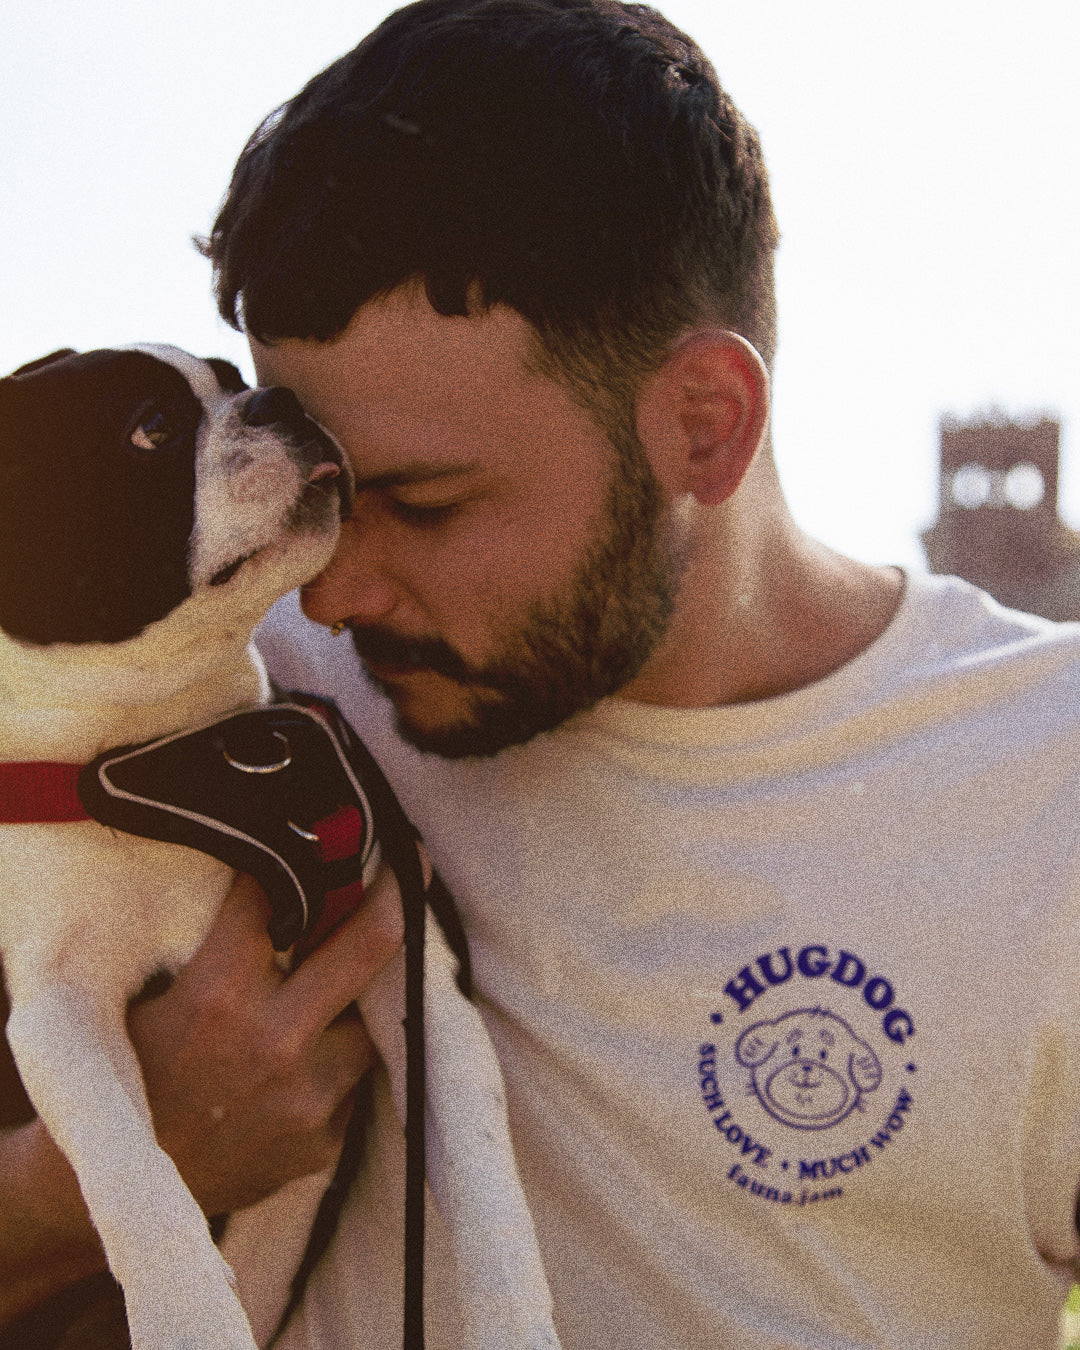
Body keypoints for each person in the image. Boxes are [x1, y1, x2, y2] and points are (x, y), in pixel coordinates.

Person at [4, 0, 1080, 1345]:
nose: (330, 591)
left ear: (704, 425)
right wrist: (71, 1189)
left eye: (429, 501)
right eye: (323, 494)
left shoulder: (1053, 793)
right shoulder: (214, 695)